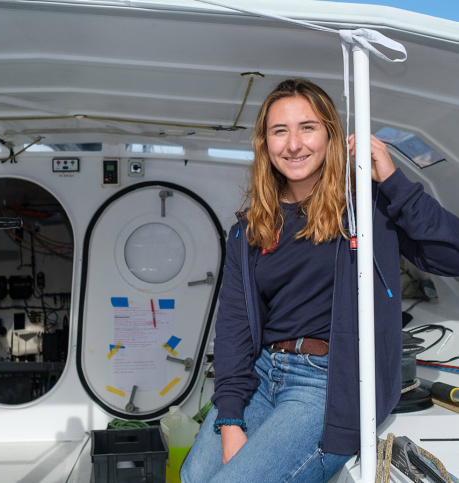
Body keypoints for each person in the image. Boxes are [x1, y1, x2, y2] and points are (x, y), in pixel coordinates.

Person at [180, 78, 459, 482]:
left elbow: (451, 255)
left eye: (307, 127)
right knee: (194, 476)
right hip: (262, 376)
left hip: (328, 383)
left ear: (330, 134)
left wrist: (395, 181)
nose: (294, 144)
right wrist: (229, 418)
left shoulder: (368, 207)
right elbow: (235, 329)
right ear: (265, 144)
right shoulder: (248, 230)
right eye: (280, 131)